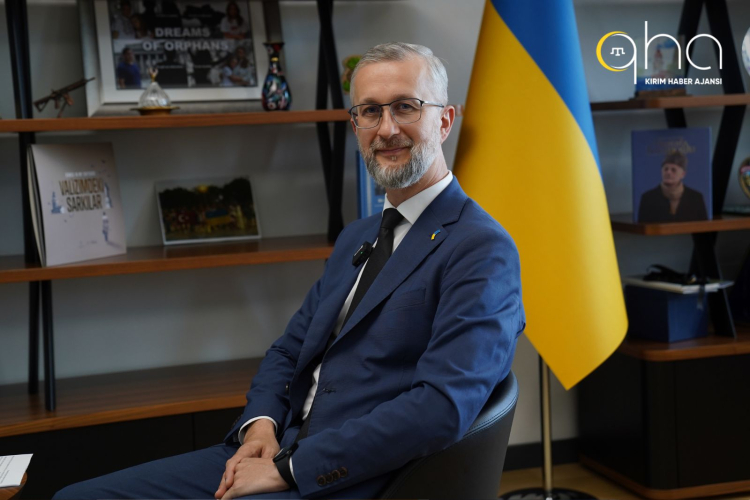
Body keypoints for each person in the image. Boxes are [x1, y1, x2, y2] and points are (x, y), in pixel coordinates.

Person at [53, 42, 525, 500]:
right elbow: (288, 351)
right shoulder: (357, 236)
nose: (386, 129)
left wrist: (290, 469)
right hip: (281, 444)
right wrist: (260, 427)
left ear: (444, 120)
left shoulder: (481, 248)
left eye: (405, 107)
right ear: (356, 125)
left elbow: (440, 408)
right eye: (369, 111)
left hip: (361, 475)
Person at [637, 150, 708, 223]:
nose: (668, 172)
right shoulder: (648, 198)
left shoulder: (696, 198)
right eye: (666, 169)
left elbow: (704, 228)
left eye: (673, 170)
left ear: (683, 174)